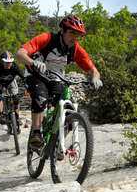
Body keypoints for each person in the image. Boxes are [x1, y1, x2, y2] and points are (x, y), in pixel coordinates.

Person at [15, 14, 103, 150]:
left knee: (70, 111)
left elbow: (93, 70)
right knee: (40, 97)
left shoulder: (76, 49)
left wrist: (95, 78)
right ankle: (36, 133)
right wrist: (33, 62)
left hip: (56, 78)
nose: (75, 38)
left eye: (78, 35)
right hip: (37, 74)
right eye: (72, 33)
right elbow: (20, 53)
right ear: (62, 30)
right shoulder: (47, 38)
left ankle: (56, 144)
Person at [0, 51, 25, 125]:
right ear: (2, 62)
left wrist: (28, 87)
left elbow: (24, 77)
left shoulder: (15, 67)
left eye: (10, 62)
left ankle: (17, 117)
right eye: (6, 62)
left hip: (11, 81)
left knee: (16, 98)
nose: (8, 64)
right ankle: (2, 115)